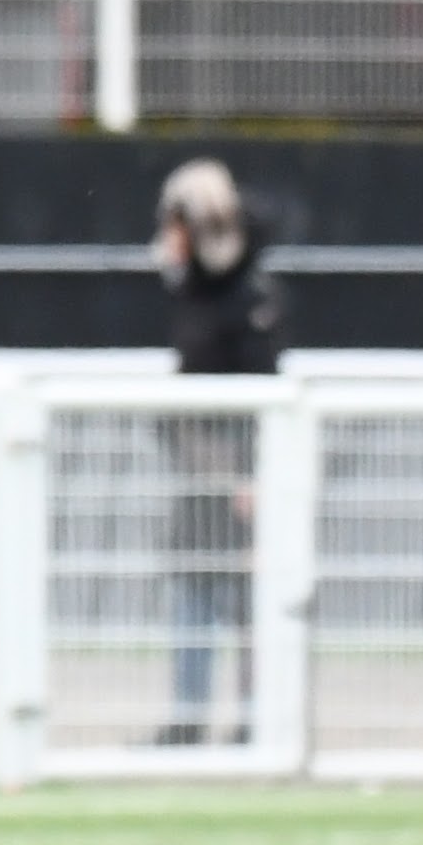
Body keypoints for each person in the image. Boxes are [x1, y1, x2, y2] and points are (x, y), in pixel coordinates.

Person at [153, 159, 279, 744]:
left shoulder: (248, 300)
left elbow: (262, 394)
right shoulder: (196, 293)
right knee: (193, 586)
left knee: (248, 601)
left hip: (237, 482)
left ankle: (255, 723)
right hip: (198, 476)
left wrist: (249, 478)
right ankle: (189, 717)